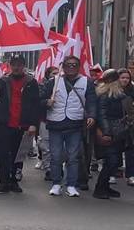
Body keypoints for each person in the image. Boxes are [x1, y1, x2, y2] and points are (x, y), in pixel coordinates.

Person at [0, 55, 41, 194]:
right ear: (10, 65)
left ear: (23, 66)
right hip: (5, 124)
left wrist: (33, 124)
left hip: (22, 124)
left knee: (18, 155)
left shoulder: (31, 82)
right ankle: (3, 182)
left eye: (19, 64)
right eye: (14, 64)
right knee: (3, 154)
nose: (16, 67)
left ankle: (14, 180)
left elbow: (35, 105)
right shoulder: (2, 81)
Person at [42, 55, 88, 197]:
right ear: (64, 66)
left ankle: (71, 185)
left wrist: (91, 115)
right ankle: (56, 184)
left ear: (78, 67)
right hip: (56, 124)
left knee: (73, 157)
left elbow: (91, 101)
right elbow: (40, 98)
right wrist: (46, 102)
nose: (71, 67)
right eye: (68, 64)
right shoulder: (52, 82)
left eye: (74, 65)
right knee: (55, 156)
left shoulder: (87, 82)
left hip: (75, 125)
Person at [92, 69, 132, 199]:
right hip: (110, 131)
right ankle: (100, 188)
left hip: (118, 131)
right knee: (112, 160)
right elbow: (102, 115)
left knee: (113, 161)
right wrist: (107, 132)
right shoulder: (105, 95)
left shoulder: (118, 94)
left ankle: (104, 186)